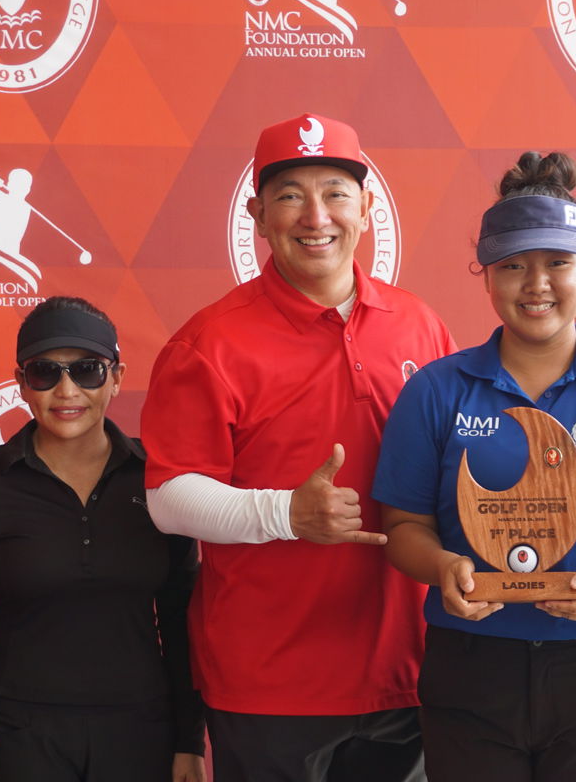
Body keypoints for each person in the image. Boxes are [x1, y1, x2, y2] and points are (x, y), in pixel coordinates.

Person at [140, 113, 456, 782]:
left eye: (336, 192)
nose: (317, 215)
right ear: (257, 215)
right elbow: (168, 499)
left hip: (407, 673)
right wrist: (287, 514)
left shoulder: (420, 325)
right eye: (289, 196)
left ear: (367, 209)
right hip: (268, 682)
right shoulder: (209, 342)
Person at [372, 151, 576, 781]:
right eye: (513, 265)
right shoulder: (436, 391)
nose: (535, 284)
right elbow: (403, 528)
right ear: (486, 277)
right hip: (471, 666)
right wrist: (444, 567)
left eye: (557, 264)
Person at [0, 297, 203, 782]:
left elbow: (183, 621)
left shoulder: (159, 478)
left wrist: (190, 741)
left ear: (117, 376)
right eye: (44, 372)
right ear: (21, 384)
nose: (66, 390)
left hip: (142, 734)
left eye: (87, 370)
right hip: (18, 735)